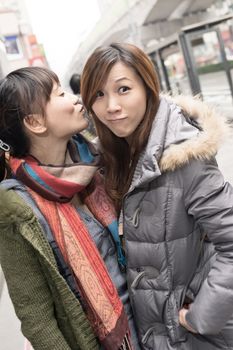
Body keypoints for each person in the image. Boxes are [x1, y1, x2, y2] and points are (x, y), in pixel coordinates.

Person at [81, 42, 233, 350]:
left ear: (148, 87)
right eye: (98, 94)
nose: (111, 105)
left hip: (192, 336)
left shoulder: (184, 156)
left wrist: (202, 317)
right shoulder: (109, 158)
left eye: (123, 89)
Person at [0, 66, 140, 350]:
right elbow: (37, 317)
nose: (76, 99)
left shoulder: (98, 165)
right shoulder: (17, 208)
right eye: (60, 93)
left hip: (150, 325)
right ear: (36, 122)